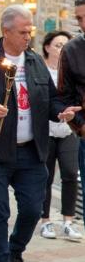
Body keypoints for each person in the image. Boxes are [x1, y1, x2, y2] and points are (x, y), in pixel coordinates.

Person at [0, 4, 80, 262]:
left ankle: (15, 251)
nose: (29, 36)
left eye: (31, 31)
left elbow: (51, 100)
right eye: (23, 31)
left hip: (30, 152)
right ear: (6, 31)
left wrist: (63, 112)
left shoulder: (35, 63)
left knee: (31, 208)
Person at [39, 31, 81, 241]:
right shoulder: (41, 70)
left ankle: (68, 221)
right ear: (47, 47)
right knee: (45, 176)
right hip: (46, 131)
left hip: (68, 131)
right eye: (58, 45)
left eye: (65, 46)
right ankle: (45, 221)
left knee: (71, 174)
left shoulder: (72, 70)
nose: (62, 50)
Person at [58, 0, 85, 224]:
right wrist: (80, 127)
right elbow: (64, 96)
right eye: (79, 18)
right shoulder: (71, 50)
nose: (82, 23)